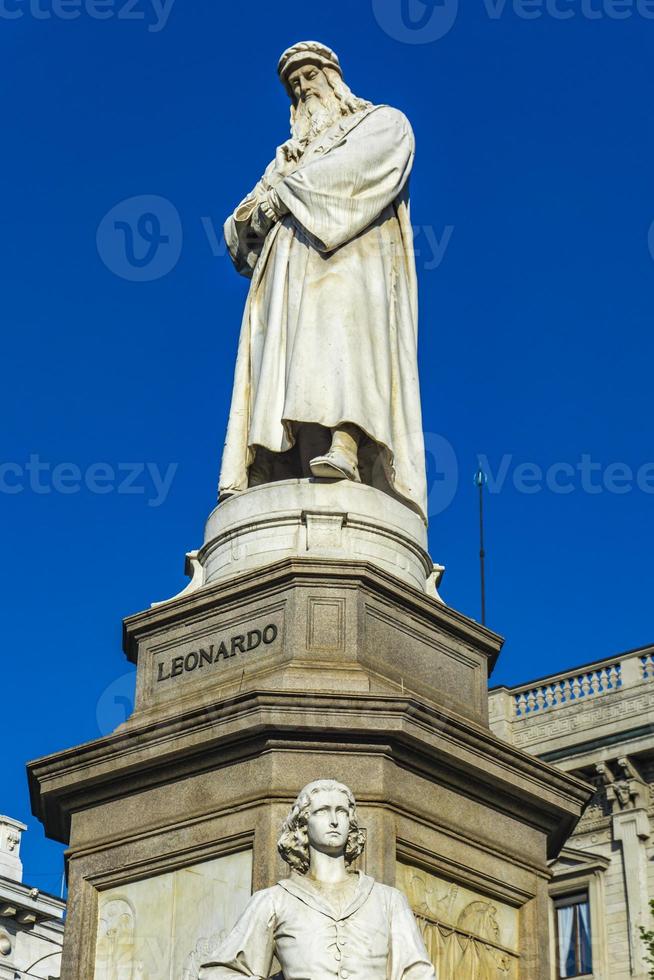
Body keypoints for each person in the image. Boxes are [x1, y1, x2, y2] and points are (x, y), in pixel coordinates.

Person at [219, 41, 428, 523]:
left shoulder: (380, 122)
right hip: (286, 273)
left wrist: (286, 194)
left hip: (349, 258)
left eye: (309, 76)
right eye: (294, 86)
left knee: (342, 346)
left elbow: (362, 172)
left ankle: (348, 445)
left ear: (333, 77)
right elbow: (238, 227)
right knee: (289, 360)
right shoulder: (286, 158)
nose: (302, 89)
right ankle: (287, 458)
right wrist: (265, 203)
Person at [199, 779, 437, 979]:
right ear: (303, 824)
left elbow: (417, 974)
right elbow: (222, 972)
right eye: (322, 811)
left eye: (342, 812)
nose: (334, 820)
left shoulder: (388, 901)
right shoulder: (273, 901)